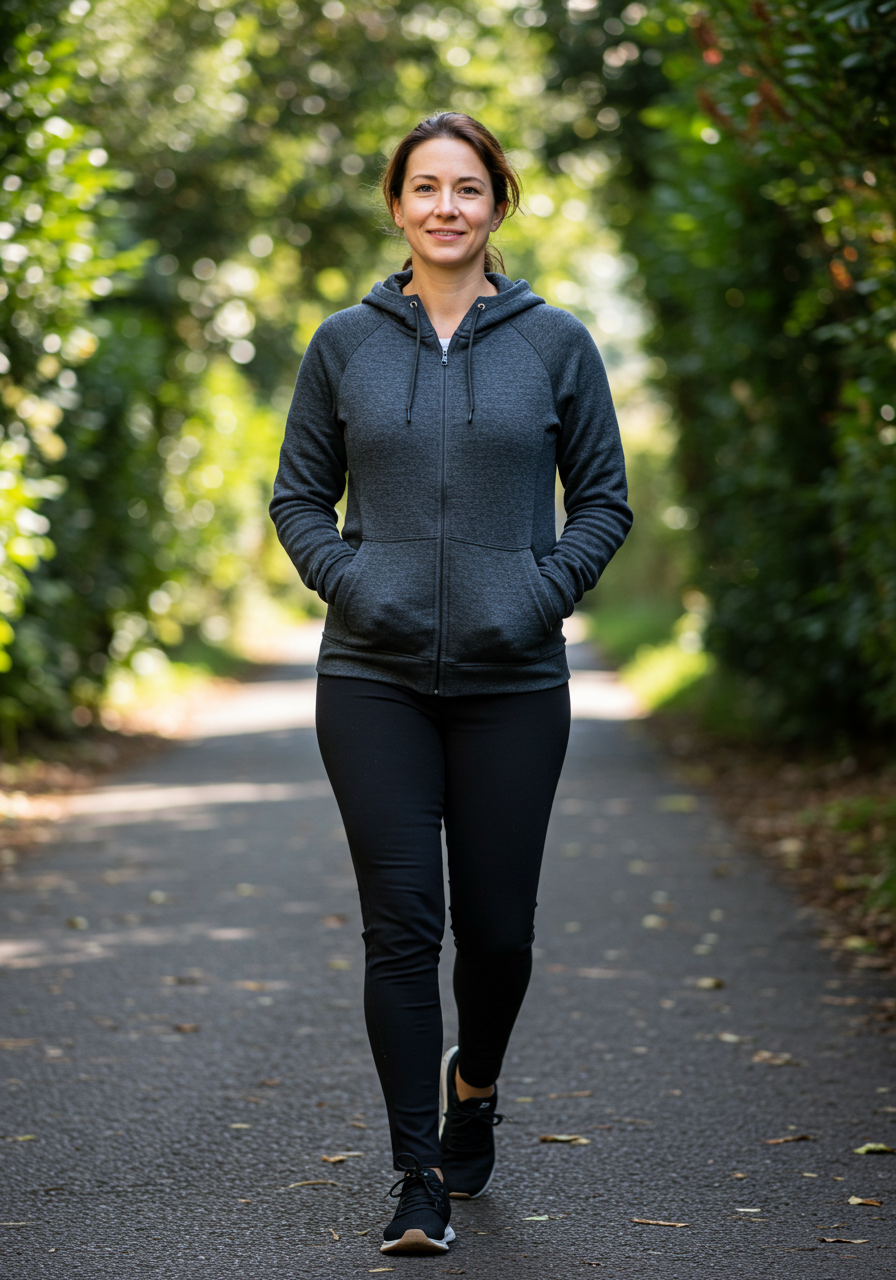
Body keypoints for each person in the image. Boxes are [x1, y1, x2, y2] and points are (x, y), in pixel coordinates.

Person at [270, 111, 632, 1257]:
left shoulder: (555, 343)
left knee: (499, 932)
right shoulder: (342, 343)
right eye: (423, 187)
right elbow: (296, 497)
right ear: (395, 206)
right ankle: (416, 1173)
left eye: (465, 187)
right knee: (400, 926)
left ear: (495, 204)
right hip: (370, 675)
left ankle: (473, 1083)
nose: (444, 206)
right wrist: (354, 585)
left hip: (513, 678)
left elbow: (603, 501)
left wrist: (536, 594)